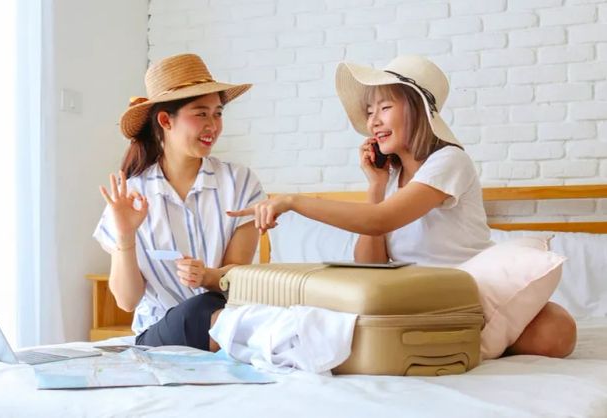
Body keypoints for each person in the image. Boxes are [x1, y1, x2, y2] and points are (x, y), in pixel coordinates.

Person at [228, 55, 576, 358]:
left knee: (557, 332)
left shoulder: (449, 160)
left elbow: (380, 221)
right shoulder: (390, 179)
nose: (373, 121)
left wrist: (292, 201)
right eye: (369, 111)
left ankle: (468, 335)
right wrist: (376, 186)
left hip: (466, 290)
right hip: (415, 296)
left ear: (415, 109)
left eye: (384, 108)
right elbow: (371, 265)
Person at [93, 53, 264, 352]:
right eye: (201, 114)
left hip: (223, 319)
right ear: (164, 121)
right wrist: (125, 236)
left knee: (211, 306)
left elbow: (239, 278)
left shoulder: (241, 184)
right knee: (198, 310)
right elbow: (127, 300)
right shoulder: (129, 196)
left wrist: (209, 276)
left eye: (218, 113)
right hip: (160, 334)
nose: (213, 125)